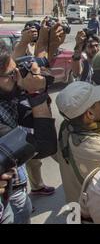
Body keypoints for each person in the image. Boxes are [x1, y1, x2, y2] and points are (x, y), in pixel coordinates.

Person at [0, 50, 58, 224]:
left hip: (16, 187)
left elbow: (36, 123)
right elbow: (43, 146)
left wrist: (36, 89)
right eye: (12, 74)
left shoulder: (7, 100)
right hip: (7, 200)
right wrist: (35, 93)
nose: (18, 76)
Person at [55, 82, 100, 204]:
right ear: (90, 114)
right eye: (99, 102)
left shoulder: (66, 128)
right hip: (92, 212)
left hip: (74, 203)